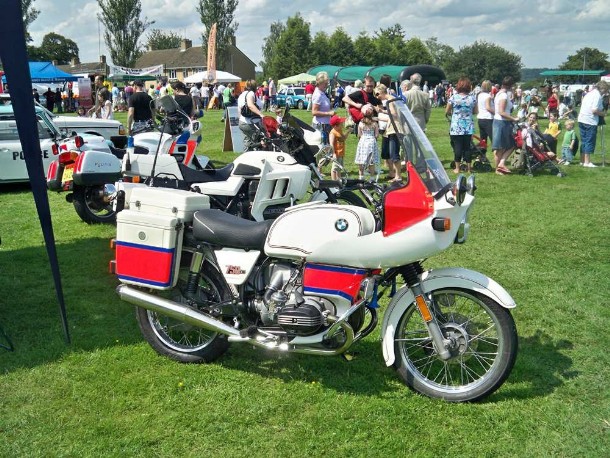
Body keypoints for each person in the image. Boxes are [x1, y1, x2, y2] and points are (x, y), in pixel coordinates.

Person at [446, 77, 477, 173]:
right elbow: (476, 111)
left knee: (457, 147)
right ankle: (469, 168)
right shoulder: (472, 98)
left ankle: (457, 168)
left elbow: (447, 111)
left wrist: (454, 114)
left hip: (456, 126)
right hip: (468, 126)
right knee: (467, 147)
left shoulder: (454, 97)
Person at [577, 80, 608, 167]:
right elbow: (594, 110)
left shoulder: (590, 93)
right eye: (606, 90)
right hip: (590, 120)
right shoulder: (597, 95)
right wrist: (603, 114)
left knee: (583, 140)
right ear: (602, 88)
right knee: (589, 141)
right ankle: (587, 162)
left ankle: (582, 160)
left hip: (582, 118)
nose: (606, 92)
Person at [491, 76, 519, 175]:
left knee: (507, 145)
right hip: (502, 123)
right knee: (503, 147)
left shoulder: (499, 93)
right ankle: (499, 167)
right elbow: (502, 112)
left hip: (501, 121)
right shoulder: (503, 96)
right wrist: (514, 118)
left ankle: (500, 166)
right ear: (511, 85)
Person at [375, 83, 402, 182]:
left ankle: (398, 176)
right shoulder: (392, 99)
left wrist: (382, 111)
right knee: (392, 153)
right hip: (393, 128)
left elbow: (394, 114)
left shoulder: (390, 100)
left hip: (394, 129)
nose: (377, 96)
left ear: (381, 91)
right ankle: (397, 175)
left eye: (377, 94)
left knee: (394, 153)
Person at [238, 79, 264, 152]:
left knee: (247, 142)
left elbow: (239, 110)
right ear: (255, 86)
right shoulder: (251, 93)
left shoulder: (242, 94)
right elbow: (250, 105)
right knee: (259, 142)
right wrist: (261, 115)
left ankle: (245, 158)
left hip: (243, 122)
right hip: (252, 123)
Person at [354, 104, 379, 180]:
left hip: (363, 141)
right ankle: (372, 177)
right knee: (371, 160)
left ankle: (361, 177)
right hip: (371, 141)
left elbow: (359, 134)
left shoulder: (361, 123)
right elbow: (377, 135)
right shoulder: (374, 123)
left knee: (361, 159)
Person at [311, 71, 335, 145]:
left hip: (325, 124)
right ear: (320, 83)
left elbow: (322, 106)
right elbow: (314, 112)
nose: (327, 85)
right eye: (325, 83)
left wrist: (330, 105)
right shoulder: (318, 95)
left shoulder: (322, 93)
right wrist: (329, 113)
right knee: (323, 147)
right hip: (321, 125)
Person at [328, 114, 350, 180]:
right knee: (334, 168)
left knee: (339, 167)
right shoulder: (333, 133)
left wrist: (348, 132)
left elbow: (343, 138)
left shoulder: (339, 130)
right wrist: (334, 153)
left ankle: (339, 180)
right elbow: (331, 144)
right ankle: (334, 182)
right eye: (341, 123)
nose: (343, 123)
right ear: (335, 125)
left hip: (341, 152)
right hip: (336, 153)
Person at [477, 80, 494, 146]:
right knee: (493, 139)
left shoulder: (479, 95)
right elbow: (488, 107)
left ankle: (482, 154)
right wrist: (496, 113)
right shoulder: (488, 96)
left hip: (481, 118)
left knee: (483, 140)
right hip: (488, 119)